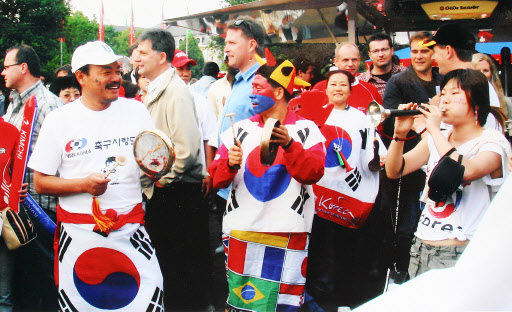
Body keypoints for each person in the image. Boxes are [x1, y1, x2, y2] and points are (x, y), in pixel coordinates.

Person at [28, 40, 164, 311]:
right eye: (106, 72)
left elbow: (152, 161)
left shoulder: (136, 110)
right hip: (80, 238)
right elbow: (40, 183)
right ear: (81, 77)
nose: (116, 78)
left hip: (131, 233)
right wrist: (83, 185)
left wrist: (157, 167)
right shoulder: (59, 120)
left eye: (117, 70)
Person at [209, 56, 325, 312]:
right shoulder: (237, 129)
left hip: (288, 231)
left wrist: (290, 145)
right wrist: (229, 163)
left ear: (280, 91)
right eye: (252, 88)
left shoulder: (306, 130)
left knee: (284, 304)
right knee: (244, 302)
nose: (252, 94)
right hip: (241, 229)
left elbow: (313, 172)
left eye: (258, 88)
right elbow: (215, 180)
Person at [385, 68, 511, 279]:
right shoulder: (439, 138)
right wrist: (399, 135)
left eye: (455, 94)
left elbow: (463, 171)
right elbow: (395, 170)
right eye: (443, 93)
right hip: (421, 246)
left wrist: (433, 129)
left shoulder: (492, 143)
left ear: (477, 103)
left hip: (460, 251)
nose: (445, 100)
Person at [135, 28, 209, 311]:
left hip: (177, 193)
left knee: (181, 270)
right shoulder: (157, 89)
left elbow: (187, 149)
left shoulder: (175, 92)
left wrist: (164, 180)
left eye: (143, 53)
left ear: (162, 56)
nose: (137, 59)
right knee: (170, 267)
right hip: (165, 191)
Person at [305, 70, 386, 310]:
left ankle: (340, 294)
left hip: (348, 192)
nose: (338, 88)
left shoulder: (360, 118)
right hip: (319, 190)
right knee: (318, 243)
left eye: (343, 84)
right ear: (325, 88)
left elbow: (373, 149)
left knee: (343, 245)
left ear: (351, 89)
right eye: (333, 84)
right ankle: (317, 293)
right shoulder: (313, 116)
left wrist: (377, 159)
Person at [1, 43, 63, 310]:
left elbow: (62, 161)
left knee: (45, 282)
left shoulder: (49, 105)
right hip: (15, 211)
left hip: (40, 210)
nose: (2, 72)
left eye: (7, 66)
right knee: (24, 282)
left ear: (23, 67)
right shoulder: (15, 102)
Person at [379, 31, 443, 274]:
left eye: (424, 51)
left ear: (434, 53)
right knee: (408, 222)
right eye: (414, 51)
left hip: (439, 158)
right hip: (410, 161)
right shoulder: (399, 81)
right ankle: (404, 271)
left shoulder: (443, 78)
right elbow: (387, 121)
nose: (418, 56)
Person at [420, 23, 503, 131]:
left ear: (448, 51)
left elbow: (448, 140)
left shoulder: (468, 86)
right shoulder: (475, 83)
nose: (433, 57)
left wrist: (422, 124)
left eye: (435, 52)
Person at [314, 43, 383, 112]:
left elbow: (379, 120)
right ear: (336, 62)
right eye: (345, 60)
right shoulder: (320, 88)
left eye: (354, 60)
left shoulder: (371, 90)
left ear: (359, 61)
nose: (350, 64)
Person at [359, 33, 407, 98]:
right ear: (370, 55)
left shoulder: (406, 74)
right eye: (375, 51)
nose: (381, 54)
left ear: (392, 50)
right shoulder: (361, 82)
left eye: (384, 49)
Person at [472, 53, 510, 118]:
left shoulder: (505, 102)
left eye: (485, 71)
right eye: (477, 71)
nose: (482, 74)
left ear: (491, 74)